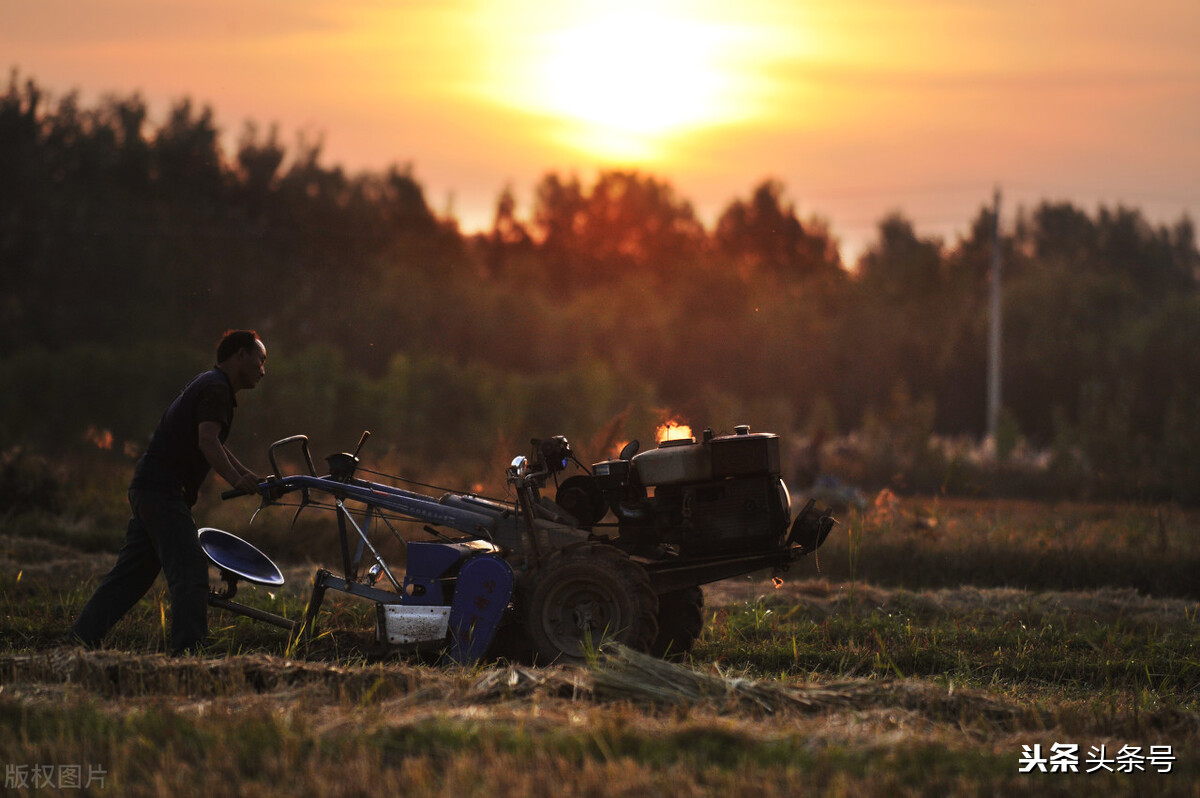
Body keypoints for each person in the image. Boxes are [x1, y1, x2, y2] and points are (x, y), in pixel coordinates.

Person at [69, 330, 267, 655]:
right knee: (190, 574)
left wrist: (246, 476)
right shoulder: (216, 388)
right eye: (260, 360)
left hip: (149, 487)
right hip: (163, 491)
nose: (263, 369)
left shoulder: (211, 383)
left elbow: (215, 443)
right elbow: (207, 442)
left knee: (129, 578)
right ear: (240, 355)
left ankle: (78, 641)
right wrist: (235, 479)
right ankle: (188, 654)